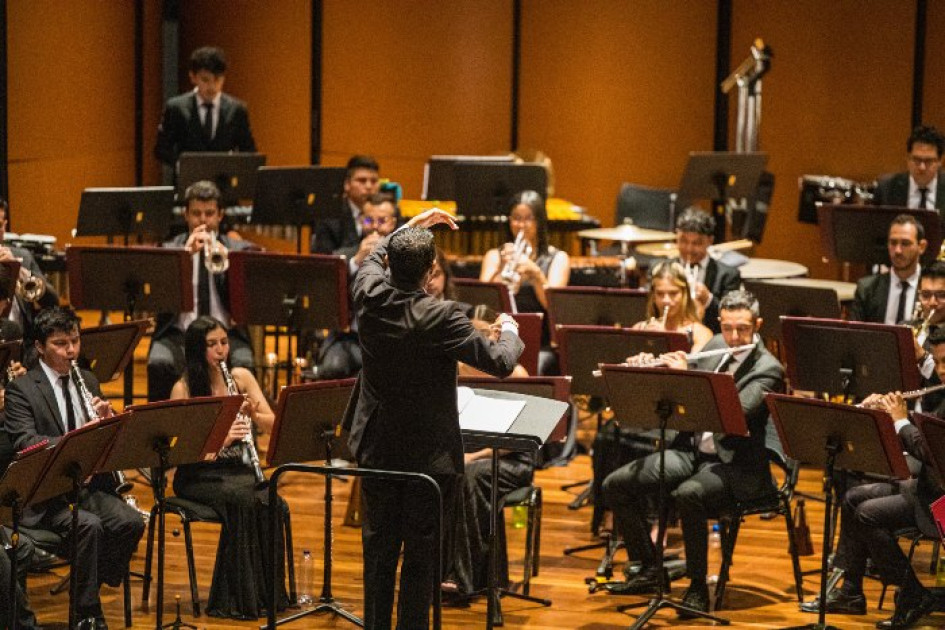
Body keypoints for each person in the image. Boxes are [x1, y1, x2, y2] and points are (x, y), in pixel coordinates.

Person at [343, 208, 523, 630]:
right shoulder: (442, 316)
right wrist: (511, 329)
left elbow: (374, 255)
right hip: (428, 458)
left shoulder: (368, 293)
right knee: (420, 561)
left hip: (377, 448)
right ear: (429, 273)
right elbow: (500, 362)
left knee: (378, 553)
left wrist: (410, 226)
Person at [602, 290, 784, 616]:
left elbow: (732, 415)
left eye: (743, 329)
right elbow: (676, 397)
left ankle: (697, 586)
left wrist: (687, 376)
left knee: (689, 494)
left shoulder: (768, 368)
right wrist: (651, 370)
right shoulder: (716, 345)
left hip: (736, 464)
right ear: (720, 322)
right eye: (727, 327)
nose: (734, 337)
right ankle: (648, 567)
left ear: (757, 325)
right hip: (692, 452)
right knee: (616, 485)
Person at [3, 306, 145, 629]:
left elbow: (105, 442)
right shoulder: (22, 390)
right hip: (46, 495)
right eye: (60, 344)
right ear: (39, 347)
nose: (71, 351)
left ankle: (86, 587)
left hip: (87, 487)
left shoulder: (89, 380)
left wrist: (106, 423)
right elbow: (26, 442)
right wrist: (76, 440)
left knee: (131, 523)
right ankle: (87, 613)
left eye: (75, 341)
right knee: (89, 527)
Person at [799, 328, 945, 628]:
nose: (941, 370)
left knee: (868, 514)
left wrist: (900, 420)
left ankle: (911, 592)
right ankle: (852, 591)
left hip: (940, 499)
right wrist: (884, 416)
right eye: (939, 362)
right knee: (853, 497)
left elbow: (929, 449)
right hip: (929, 484)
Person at [169, 315, 288, 619]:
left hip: (238, 471)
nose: (221, 349)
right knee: (244, 500)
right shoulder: (184, 388)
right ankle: (236, 600)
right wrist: (223, 440)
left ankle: (267, 597)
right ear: (197, 349)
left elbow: (274, 423)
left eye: (224, 342)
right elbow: (182, 454)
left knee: (272, 501)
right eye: (212, 344)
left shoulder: (241, 378)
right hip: (198, 475)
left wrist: (254, 415)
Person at [147, 180, 254, 402]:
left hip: (224, 335)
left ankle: (242, 423)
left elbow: (249, 299)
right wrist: (183, 259)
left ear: (220, 215)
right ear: (186, 215)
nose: (203, 220)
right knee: (159, 362)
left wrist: (230, 265)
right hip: (179, 333)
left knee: (244, 362)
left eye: (209, 213)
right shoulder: (170, 250)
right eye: (196, 213)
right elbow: (159, 299)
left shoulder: (236, 250)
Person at [479, 190, 570, 374]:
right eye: (516, 218)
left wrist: (536, 274)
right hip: (499, 335)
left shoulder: (558, 258)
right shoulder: (494, 255)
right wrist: (503, 267)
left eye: (528, 218)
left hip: (540, 342)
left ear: (539, 221)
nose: (521, 225)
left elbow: (554, 308)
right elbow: (484, 302)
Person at [314, 193, 399, 380]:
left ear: (393, 223)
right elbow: (326, 297)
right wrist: (356, 263)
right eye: (369, 220)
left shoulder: (403, 258)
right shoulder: (343, 257)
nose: (375, 227)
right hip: (349, 337)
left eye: (382, 221)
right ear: (360, 220)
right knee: (332, 368)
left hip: (391, 338)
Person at [154, 46, 256, 167]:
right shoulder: (176, 108)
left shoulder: (237, 110)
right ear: (193, 77)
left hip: (224, 177)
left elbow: (249, 151)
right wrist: (181, 165)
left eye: (217, 80)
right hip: (189, 177)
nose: (212, 87)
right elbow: (161, 149)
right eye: (205, 80)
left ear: (224, 78)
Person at [0, 198, 60, 362]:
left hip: (25, 350)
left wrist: (20, 271)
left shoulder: (23, 257)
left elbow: (52, 301)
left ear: (5, 225)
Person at [670, 208, 741, 334]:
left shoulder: (728, 275)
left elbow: (732, 317)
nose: (689, 249)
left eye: (696, 243)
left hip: (711, 337)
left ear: (710, 241)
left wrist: (708, 300)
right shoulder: (662, 269)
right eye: (684, 241)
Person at [849, 214, 927, 324]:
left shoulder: (934, 292)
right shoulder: (867, 289)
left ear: (921, 247)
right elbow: (855, 332)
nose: (898, 250)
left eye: (905, 243)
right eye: (893, 243)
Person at [633, 260, 714, 351]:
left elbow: (693, 360)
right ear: (653, 296)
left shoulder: (700, 334)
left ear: (685, 295)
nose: (666, 300)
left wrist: (664, 340)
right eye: (660, 293)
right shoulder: (638, 330)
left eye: (673, 293)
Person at [310, 155, 381, 254]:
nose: (369, 186)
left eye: (374, 181)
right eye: (362, 180)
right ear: (347, 184)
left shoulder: (390, 212)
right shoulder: (329, 216)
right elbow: (324, 257)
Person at [873, 125, 945, 211]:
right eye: (917, 160)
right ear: (908, 158)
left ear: (940, 161)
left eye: (928, 161)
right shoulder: (886, 188)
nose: (922, 167)